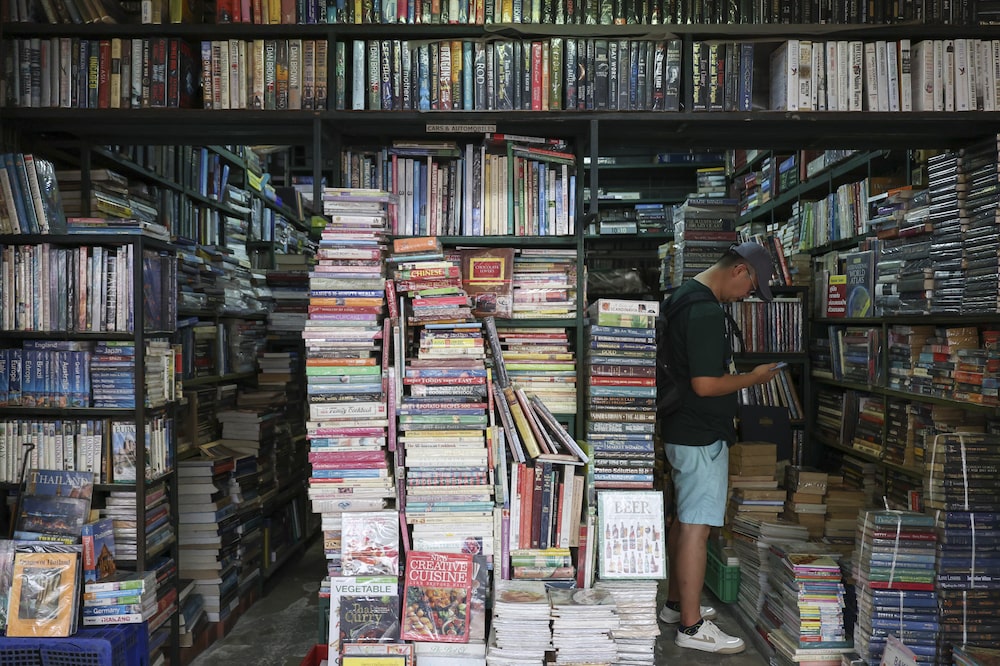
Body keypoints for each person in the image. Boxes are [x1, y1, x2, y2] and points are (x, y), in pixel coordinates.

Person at [658, 241, 783, 654]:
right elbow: (706, 385)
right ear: (739, 270)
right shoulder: (706, 311)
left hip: (682, 428)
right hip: (701, 434)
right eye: (752, 286)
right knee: (697, 526)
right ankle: (692, 629)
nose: (748, 294)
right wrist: (755, 377)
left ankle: (677, 605)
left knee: (683, 520)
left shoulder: (682, 296)